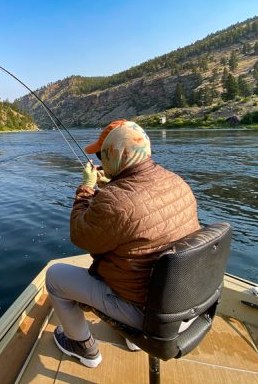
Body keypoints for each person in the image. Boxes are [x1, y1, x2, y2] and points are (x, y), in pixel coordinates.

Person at [45, 120, 199, 368]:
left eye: (101, 154)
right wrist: (113, 187)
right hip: (185, 305)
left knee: (55, 277)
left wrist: (86, 188)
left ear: (114, 154)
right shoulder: (177, 181)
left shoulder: (115, 202)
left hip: (147, 314)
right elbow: (142, 216)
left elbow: (81, 236)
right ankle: (134, 341)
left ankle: (83, 348)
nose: (99, 161)